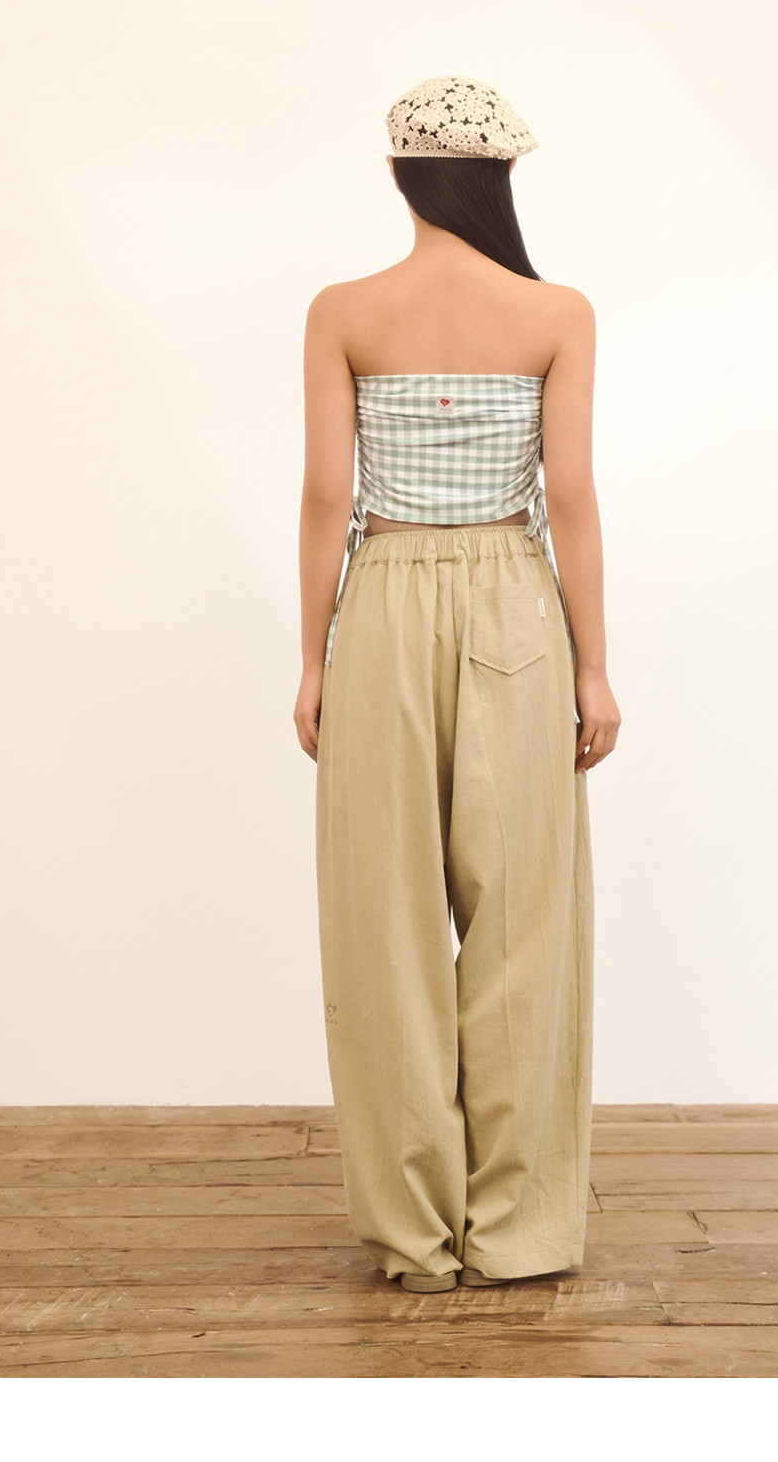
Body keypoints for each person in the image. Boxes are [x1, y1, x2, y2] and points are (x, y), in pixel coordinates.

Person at [295, 71, 621, 1291]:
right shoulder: (555, 313)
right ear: (501, 176)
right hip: (515, 603)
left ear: (400, 173)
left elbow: (327, 496)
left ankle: (413, 1235)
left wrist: (312, 656)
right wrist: (594, 667)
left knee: (381, 921)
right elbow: (570, 497)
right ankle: (517, 1227)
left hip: (381, 600)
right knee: (523, 921)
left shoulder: (344, 311)